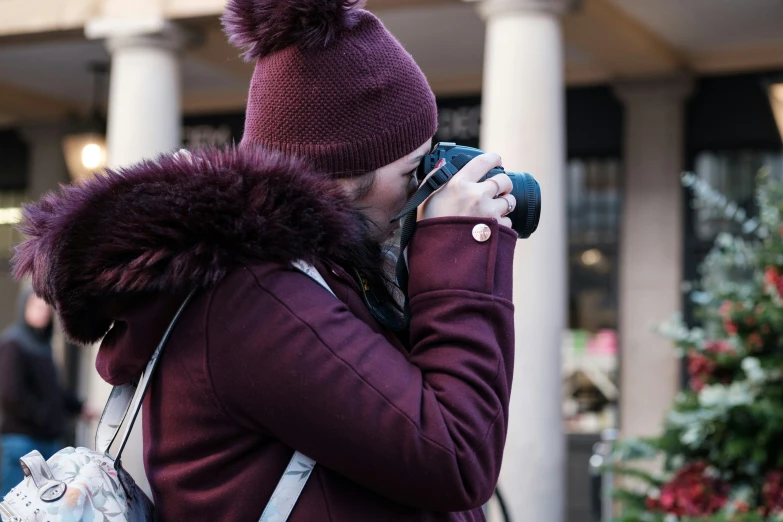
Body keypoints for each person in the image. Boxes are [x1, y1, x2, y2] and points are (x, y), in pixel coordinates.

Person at [12, 0, 520, 520]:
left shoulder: (299, 281)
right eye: (416, 167)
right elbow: (456, 456)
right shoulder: (257, 299)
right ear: (343, 178)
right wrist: (462, 242)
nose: (427, 187)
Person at [0, 286, 91, 498]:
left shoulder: (43, 346)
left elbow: (54, 391)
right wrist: (47, 416)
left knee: (44, 509)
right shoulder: (13, 344)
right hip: (22, 441)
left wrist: (78, 407)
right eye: (35, 305)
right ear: (24, 307)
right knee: (13, 506)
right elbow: (11, 394)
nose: (42, 311)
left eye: (46, 307)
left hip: (48, 441)